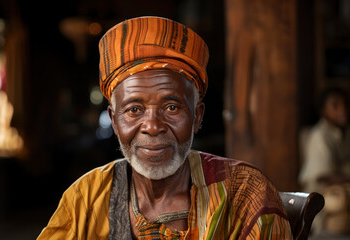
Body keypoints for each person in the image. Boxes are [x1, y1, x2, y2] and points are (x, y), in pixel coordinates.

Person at [37, 16, 292, 239]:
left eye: (171, 108)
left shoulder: (243, 194)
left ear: (197, 117)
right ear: (114, 121)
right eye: (134, 110)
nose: (152, 126)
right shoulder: (86, 198)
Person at [299, 87, 350, 234]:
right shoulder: (320, 135)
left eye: (346, 104)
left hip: (347, 185)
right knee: (338, 203)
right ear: (323, 111)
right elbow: (324, 175)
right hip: (323, 192)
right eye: (335, 105)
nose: (343, 110)